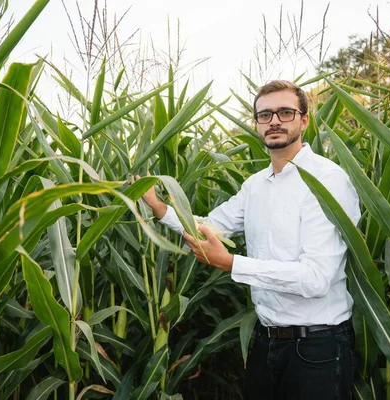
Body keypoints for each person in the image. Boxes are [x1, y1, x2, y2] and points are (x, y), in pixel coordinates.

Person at [139, 80, 361, 399]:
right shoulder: (255, 186)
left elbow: (316, 279)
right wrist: (159, 207)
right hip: (266, 341)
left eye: (285, 112)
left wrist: (231, 264)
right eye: (265, 114)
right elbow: (208, 227)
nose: (274, 121)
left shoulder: (327, 182)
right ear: (256, 123)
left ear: (304, 119)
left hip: (317, 348)